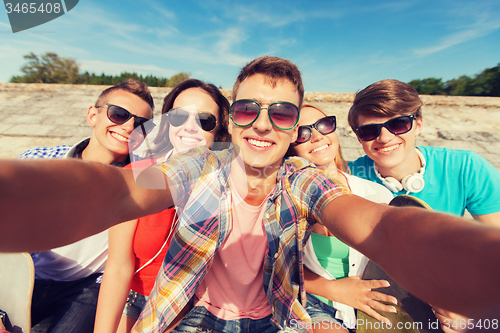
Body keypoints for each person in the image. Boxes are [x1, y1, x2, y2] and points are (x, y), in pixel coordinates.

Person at [1, 57, 500, 333]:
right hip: (191, 312)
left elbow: (374, 225)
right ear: (232, 118)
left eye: (282, 113)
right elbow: (118, 194)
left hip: (278, 317)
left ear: (294, 125)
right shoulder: (196, 167)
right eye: (247, 109)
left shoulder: (300, 179)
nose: (262, 124)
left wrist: (477, 265)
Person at [347, 79, 500, 332]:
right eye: (369, 130)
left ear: (418, 123)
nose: (384, 138)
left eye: (398, 124)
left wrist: (470, 307)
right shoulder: (348, 178)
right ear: (359, 137)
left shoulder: (466, 168)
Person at [17, 79, 154, 333]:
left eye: (141, 124)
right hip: (24, 275)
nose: (128, 127)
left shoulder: (138, 185)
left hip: (85, 288)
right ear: (93, 114)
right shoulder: (37, 160)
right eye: (119, 114)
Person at [94, 79, 230, 333]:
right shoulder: (136, 175)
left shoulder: (229, 188)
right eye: (179, 117)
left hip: (193, 306)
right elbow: (118, 266)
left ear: (218, 132)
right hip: (135, 299)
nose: (190, 128)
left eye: (205, 121)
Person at [286, 105, 396, 332]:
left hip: (372, 305)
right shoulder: (284, 199)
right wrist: (334, 290)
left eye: (324, 125)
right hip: (312, 304)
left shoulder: (376, 194)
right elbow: (277, 269)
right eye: (303, 133)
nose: (317, 137)